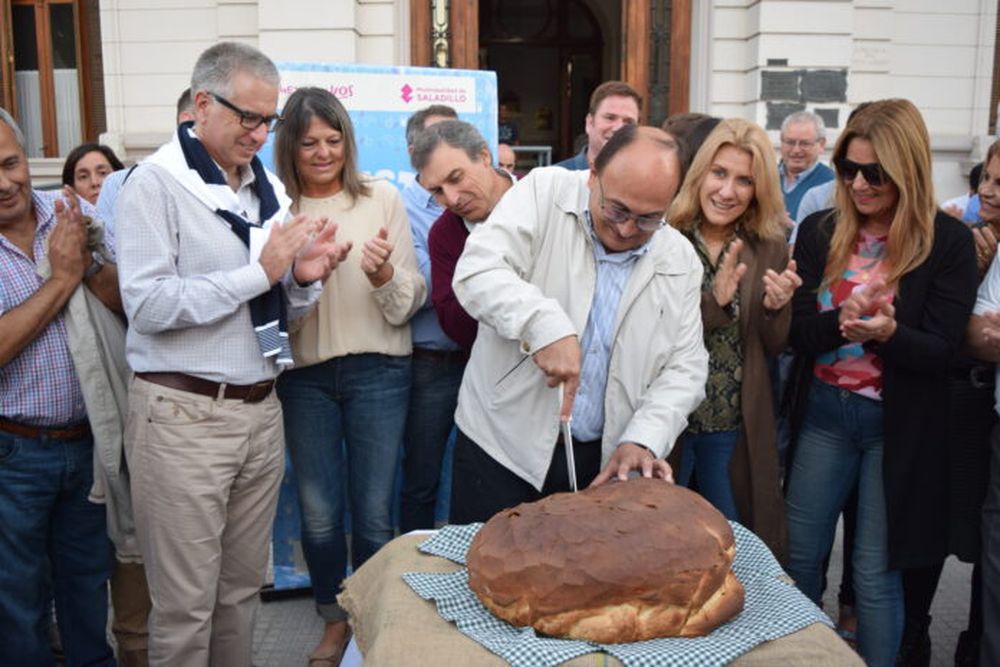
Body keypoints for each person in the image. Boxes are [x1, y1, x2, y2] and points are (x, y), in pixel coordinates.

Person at [116, 43, 347, 665]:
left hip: (259, 406)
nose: (260, 133)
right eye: (247, 117)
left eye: (267, 120)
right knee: (186, 606)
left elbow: (284, 313)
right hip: (183, 415)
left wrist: (301, 277)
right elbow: (149, 307)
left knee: (241, 593)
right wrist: (262, 272)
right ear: (200, 104)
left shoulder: (265, 189)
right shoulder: (155, 184)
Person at [784, 98, 977, 667]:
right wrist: (837, 323)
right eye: (849, 169)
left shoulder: (947, 242)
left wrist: (888, 333)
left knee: (874, 573)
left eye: (876, 173)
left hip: (899, 425)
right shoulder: (822, 231)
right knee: (798, 560)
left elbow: (943, 350)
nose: (860, 184)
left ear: (907, 168)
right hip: (824, 413)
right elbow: (797, 332)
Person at [449, 124, 708, 523]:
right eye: (616, 209)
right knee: (487, 573)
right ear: (592, 175)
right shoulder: (542, 192)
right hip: (502, 448)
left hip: (602, 463)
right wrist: (543, 325)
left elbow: (685, 367)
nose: (625, 229)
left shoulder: (680, 260)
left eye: (647, 219)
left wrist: (644, 438)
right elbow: (477, 272)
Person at [273, 86, 425, 666]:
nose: (322, 152)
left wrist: (385, 274)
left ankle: (371, 624)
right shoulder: (276, 211)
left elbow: (411, 299)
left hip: (380, 372)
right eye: (308, 141)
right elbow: (268, 315)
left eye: (333, 140)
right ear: (290, 145)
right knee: (317, 514)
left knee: (374, 512)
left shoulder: (381, 198)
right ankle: (333, 623)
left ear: (349, 142)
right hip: (305, 379)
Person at [0, 108, 119, 666]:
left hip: (88, 441)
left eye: (11, 164)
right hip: (13, 451)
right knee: (17, 602)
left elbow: (130, 307)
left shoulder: (72, 211)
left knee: (87, 588)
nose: (5, 184)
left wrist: (89, 263)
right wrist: (63, 279)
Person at [667, 118, 800, 561]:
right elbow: (654, 334)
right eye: (719, 173)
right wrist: (714, 303)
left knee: (733, 550)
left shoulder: (769, 246)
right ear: (699, 173)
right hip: (669, 422)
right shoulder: (666, 236)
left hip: (731, 423)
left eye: (744, 180)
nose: (728, 191)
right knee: (662, 541)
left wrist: (777, 309)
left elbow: (773, 345)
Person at [397, 103, 461, 534]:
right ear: (412, 151)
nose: (446, 149)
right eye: (436, 139)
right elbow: (427, 283)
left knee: (478, 475)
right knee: (421, 478)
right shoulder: (398, 207)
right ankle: (414, 567)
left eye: (454, 137)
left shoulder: (480, 201)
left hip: (484, 359)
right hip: (429, 365)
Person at [413, 120, 516, 351]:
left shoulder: (541, 196)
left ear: (484, 156)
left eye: (456, 178)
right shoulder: (443, 234)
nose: (451, 199)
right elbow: (456, 327)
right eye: (437, 191)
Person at [97, 88, 195, 238]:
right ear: (187, 122)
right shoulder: (120, 184)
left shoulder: (240, 181)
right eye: (238, 117)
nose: (244, 129)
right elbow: (108, 255)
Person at [554, 81, 642, 170]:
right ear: (590, 122)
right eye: (610, 118)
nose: (618, 128)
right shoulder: (555, 180)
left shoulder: (646, 180)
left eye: (628, 122)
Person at [778, 111, 833, 221]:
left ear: (821, 145)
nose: (796, 150)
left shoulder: (831, 184)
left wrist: (790, 227)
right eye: (790, 142)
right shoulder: (766, 176)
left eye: (804, 143)